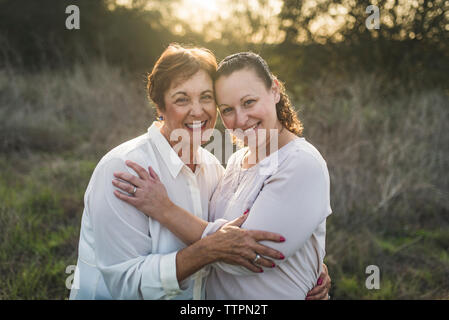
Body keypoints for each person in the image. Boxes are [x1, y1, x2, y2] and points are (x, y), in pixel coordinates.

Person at [112, 48, 332, 299]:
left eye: (249, 102)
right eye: (227, 109)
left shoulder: (301, 163)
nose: (240, 119)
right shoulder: (236, 161)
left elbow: (249, 257)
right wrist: (311, 261)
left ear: (274, 90)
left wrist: (164, 209)